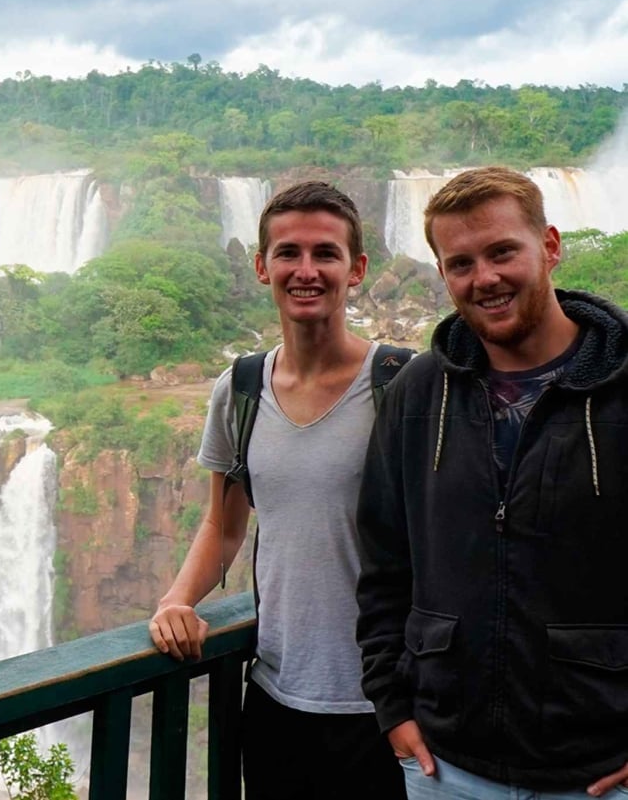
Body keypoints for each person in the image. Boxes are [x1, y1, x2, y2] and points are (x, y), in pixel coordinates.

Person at [356, 166, 628, 798]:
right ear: (443, 273)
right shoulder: (418, 393)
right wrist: (392, 707)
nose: (485, 278)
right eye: (461, 263)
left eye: (503, 252)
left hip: (599, 771)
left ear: (550, 246)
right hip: (445, 765)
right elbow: (383, 564)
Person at [150, 181, 405, 800]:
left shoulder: (403, 384)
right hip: (273, 699)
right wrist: (176, 601)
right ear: (263, 266)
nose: (306, 270)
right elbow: (223, 525)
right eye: (288, 252)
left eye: (325, 253)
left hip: (388, 706)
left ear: (356, 269)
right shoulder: (239, 390)